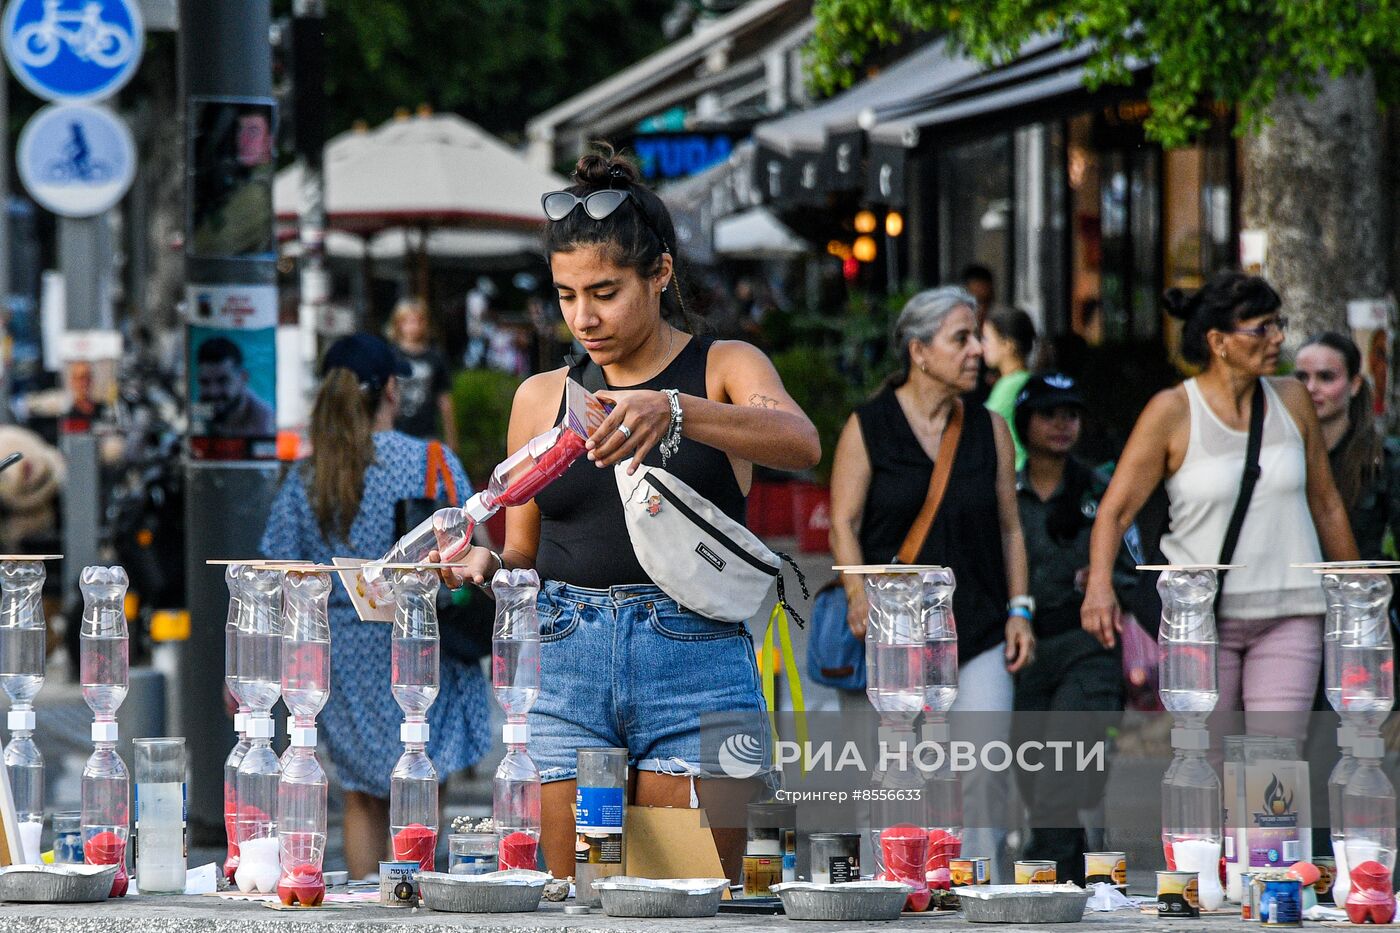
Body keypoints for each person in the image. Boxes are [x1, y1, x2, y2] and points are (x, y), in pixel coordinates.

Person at [441, 147, 820, 884]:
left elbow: (800, 440)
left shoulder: (721, 366)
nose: (584, 317)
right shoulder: (539, 396)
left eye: (606, 292)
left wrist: (675, 410)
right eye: (566, 295)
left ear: (662, 273)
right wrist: (483, 566)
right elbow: (523, 553)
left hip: (696, 657)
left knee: (691, 902)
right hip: (564, 659)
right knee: (570, 902)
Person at [260, 333, 490, 880]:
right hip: (421, 642)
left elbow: (276, 568)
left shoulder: (308, 478)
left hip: (342, 654)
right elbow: (466, 543)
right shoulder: (432, 460)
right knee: (421, 788)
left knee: (363, 797)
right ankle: (414, 903)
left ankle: (367, 906)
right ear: (392, 388)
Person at [1082, 272, 1357, 719]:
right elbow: (1115, 511)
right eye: (1262, 328)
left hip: (1293, 611)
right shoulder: (1171, 411)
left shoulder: (1292, 400)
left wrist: (1356, 587)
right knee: (1207, 763)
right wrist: (1099, 589)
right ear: (1219, 341)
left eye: (1278, 323)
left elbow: (1325, 502)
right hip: (1199, 618)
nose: (1278, 338)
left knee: (1275, 766)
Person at [828, 285, 1035, 881]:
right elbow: (842, 520)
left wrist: (1020, 609)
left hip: (978, 629)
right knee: (896, 770)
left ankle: (974, 889)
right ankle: (892, 887)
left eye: (977, 337)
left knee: (980, 769)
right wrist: (856, 594)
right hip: (892, 634)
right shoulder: (869, 426)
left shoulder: (990, 427)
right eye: (961, 338)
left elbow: (1009, 526)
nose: (977, 351)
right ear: (919, 351)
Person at [1008, 373, 1132, 883]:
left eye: (1072, 414)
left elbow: (1136, 563)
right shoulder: (1005, 494)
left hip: (1089, 648)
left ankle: (1051, 884)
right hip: (1023, 652)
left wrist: (1108, 578)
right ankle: (1070, 879)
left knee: (1065, 769)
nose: (1062, 424)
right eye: (1049, 413)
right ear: (1025, 422)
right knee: (1033, 778)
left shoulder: (1101, 490)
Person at [1295, 332, 1400, 560]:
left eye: (1326, 377)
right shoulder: (1281, 457)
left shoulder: (1384, 457)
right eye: (1302, 377)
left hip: (1359, 587)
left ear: (1354, 384)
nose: (1311, 387)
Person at [387, 298, 458, 449]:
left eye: (417, 321)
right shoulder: (391, 355)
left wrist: (451, 437)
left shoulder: (435, 357)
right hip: (397, 432)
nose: (413, 327)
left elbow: (444, 400)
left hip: (427, 434)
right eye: (408, 321)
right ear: (398, 324)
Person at [983, 308, 1037, 469]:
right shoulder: (1025, 379)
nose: (981, 346)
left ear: (1007, 345)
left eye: (986, 339)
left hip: (1015, 471)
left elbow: (983, 428)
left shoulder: (1010, 385)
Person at [195, 337, 276, 436]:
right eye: (205, 382)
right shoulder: (198, 412)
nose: (213, 392)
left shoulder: (264, 424)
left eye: (223, 381)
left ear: (243, 378)